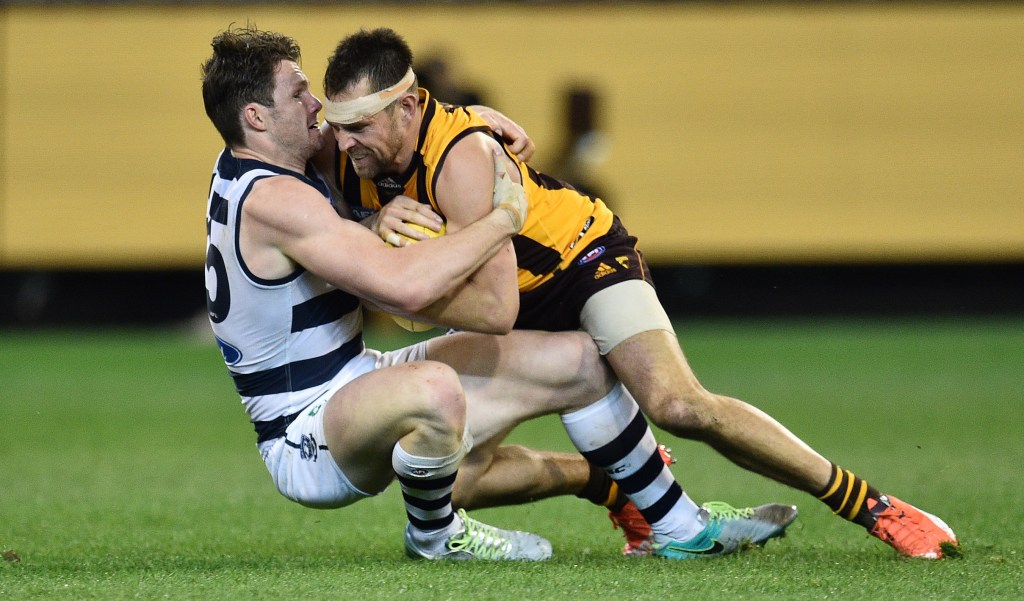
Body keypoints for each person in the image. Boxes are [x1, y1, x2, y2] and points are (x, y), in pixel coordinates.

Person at [318, 27, 959, 559]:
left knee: (676, 404)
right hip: (504, 296)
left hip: (582, 262)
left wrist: (394, 288)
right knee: (446, 480)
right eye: (337, 125)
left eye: (360, 125)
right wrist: (369, 223)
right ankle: (623, 492)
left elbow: (494, 310)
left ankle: (872, 506)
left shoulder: (459, 156)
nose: (345, 142)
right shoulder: (347, 154)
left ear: (408, 107)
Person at [200, 25, 797, 562]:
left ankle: (678, 527)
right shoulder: (278, 197)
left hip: (357, 381)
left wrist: (466, 126)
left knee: (581, 362)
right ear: (256, 117)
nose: (319, 108)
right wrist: (501, 218)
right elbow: (404, 287)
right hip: (305, 433)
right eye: (301, 95)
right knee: (432, 391)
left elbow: (394, 131)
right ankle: (436, 538)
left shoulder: (266, 166)